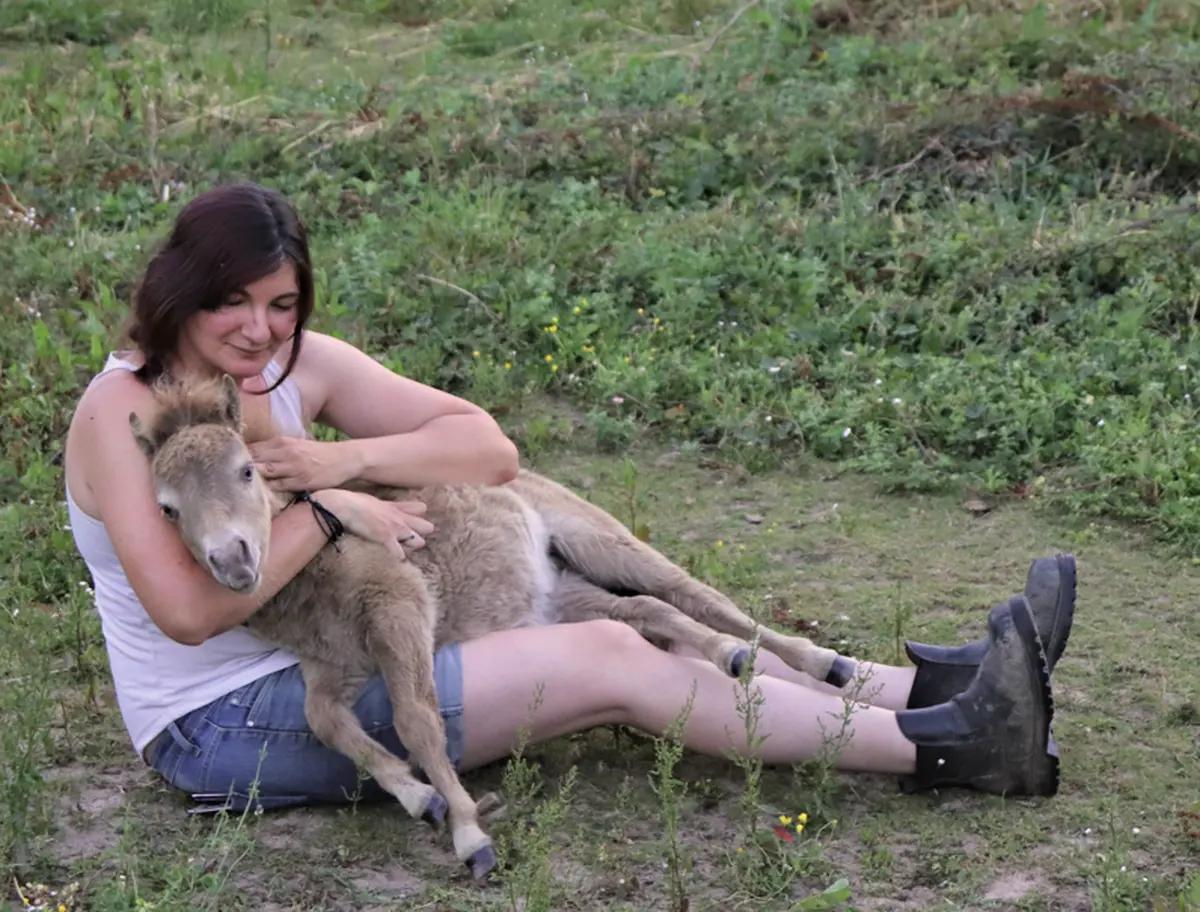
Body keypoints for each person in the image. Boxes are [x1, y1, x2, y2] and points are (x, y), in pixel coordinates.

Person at [63, 183, 1072, 819]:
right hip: (228, 722)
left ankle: (909, 689)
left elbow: (485, 448)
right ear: (180, 291)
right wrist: (334, 513)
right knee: (609, 658)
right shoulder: (125, 415)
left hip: (366, 634)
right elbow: (189, 615)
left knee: (565, 529)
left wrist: (340, 462)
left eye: (282, 304)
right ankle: (954, 751)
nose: (258, 328)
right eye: (231, 301)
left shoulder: (293, 369)